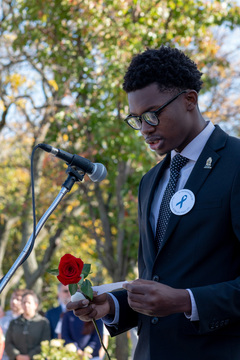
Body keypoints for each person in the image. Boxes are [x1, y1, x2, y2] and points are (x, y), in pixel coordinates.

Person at [67, 45, 240, 359]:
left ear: (190, 100)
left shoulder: (236, 163)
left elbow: (176, 295)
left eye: (152, 114)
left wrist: (185, 300)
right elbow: (156, 278)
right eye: (136, 119)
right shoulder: (149, 181)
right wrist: (114, 305)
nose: (145, 129)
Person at [5, 289, 51, 360]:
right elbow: (8, 343)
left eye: (29, 302)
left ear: (35, 305)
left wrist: (29, 356)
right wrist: (17, 355)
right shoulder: (14, 323)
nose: (26, 305)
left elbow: (45, 343)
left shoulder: (43, 322)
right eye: (24, 302)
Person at [0, 289, 25, 360]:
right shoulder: (3, 318)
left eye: (18, 299)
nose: (14, 302)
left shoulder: (27, 320)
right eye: (13, 298)